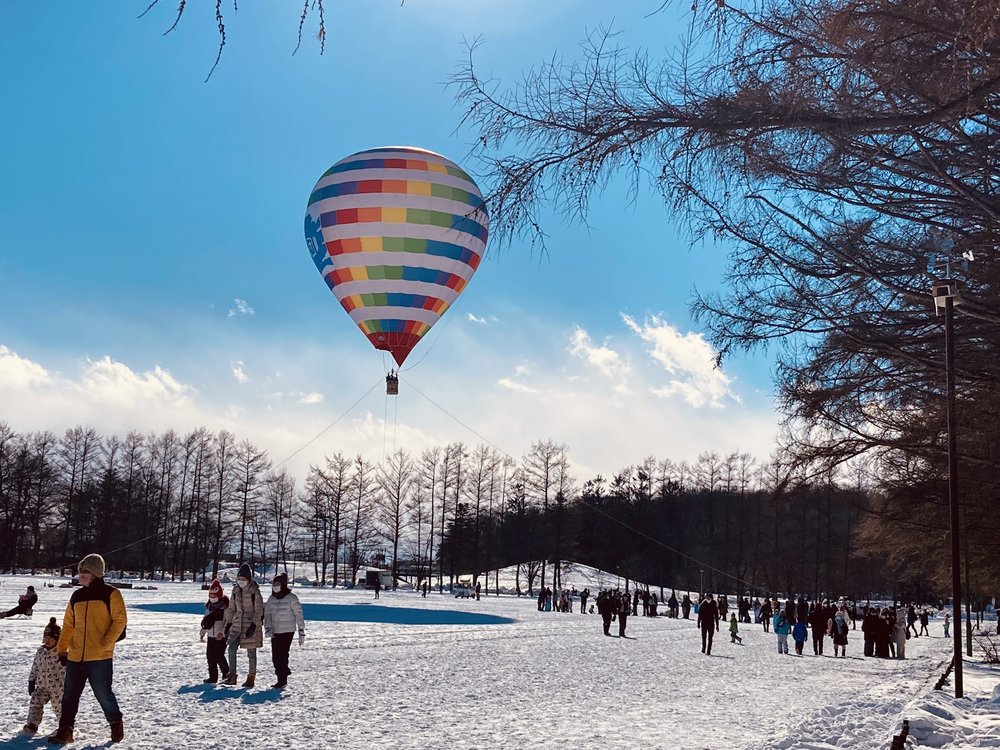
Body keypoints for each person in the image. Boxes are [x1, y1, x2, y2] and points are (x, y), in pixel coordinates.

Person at [48, 553, 126, 745]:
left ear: (94, 573)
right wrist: (62, 649)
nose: (79, 575)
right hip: (75, 656)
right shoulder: (76, 596)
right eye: (80, 572)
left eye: (83, 572)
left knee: (103, 695)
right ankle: (65, 731)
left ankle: (115, 721)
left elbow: (120, 621)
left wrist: (106, 643)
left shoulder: (111, 594)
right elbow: (68, 625)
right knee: (69, 697)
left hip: (99, 657)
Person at [224, 563, 263, 688]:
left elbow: (259, 610)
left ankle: (251, 677)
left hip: (250, 625)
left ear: (249, 579)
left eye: (243, 579)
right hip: (237, 624)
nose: (241, 581)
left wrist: (254, 624)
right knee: (231, 648)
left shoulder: (254, 592)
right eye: (239, 579)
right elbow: (231, 608)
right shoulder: (235, 591)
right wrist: (228, 623)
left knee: (251, 652)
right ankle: (232, 675)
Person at [23, 618, 64, 736]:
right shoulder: (40, 652)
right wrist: (31, 680)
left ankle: (64, 726)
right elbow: (35, 667)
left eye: (50, 638)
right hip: (41, 685)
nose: (47, 640)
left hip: (58, 687)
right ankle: (32, 724)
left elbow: (69, 669)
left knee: (60, 706)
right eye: (45, 638)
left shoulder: (61, 653)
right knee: (35, 702)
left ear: (57, 639)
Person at [264, 573, 305, 689]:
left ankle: (282, 680)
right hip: (275, 631)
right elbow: (267, 614)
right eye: (274, 584)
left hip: (288, 631)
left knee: (282, 654)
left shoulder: (292, 598)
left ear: (283, 585)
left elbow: (299, 614)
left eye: (277, 584)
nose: (275, 586)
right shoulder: (271, 599)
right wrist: (268, 627)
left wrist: (301, 629)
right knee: (275, 657)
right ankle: (283, 672)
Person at [199, 579, 230, 684]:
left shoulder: (225, 608)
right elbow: (206, 622)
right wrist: (202, 633)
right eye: (210, 596)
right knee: (210, 656)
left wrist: (222, 633)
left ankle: (227, 674)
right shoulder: (209, 608)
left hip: (221, 636)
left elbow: (228, 622)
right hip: (211, 636)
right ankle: (213, 677)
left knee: (219, 655)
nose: (212, 598)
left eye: (214, 596)